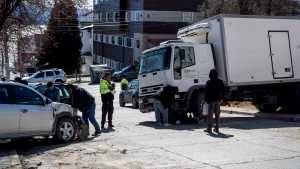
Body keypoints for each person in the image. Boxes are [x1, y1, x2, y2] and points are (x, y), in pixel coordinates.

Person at [204, 69, 225, 133]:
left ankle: (209, 128)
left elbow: (206, 93)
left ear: (210, 75)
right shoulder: (220, 82)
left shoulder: (208, 82)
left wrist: (206, 100)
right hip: (218, 100)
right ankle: (217, 128)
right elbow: (223, 91)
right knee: (217, 115)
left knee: (210, 115)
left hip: (211, 101)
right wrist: (222, 98)